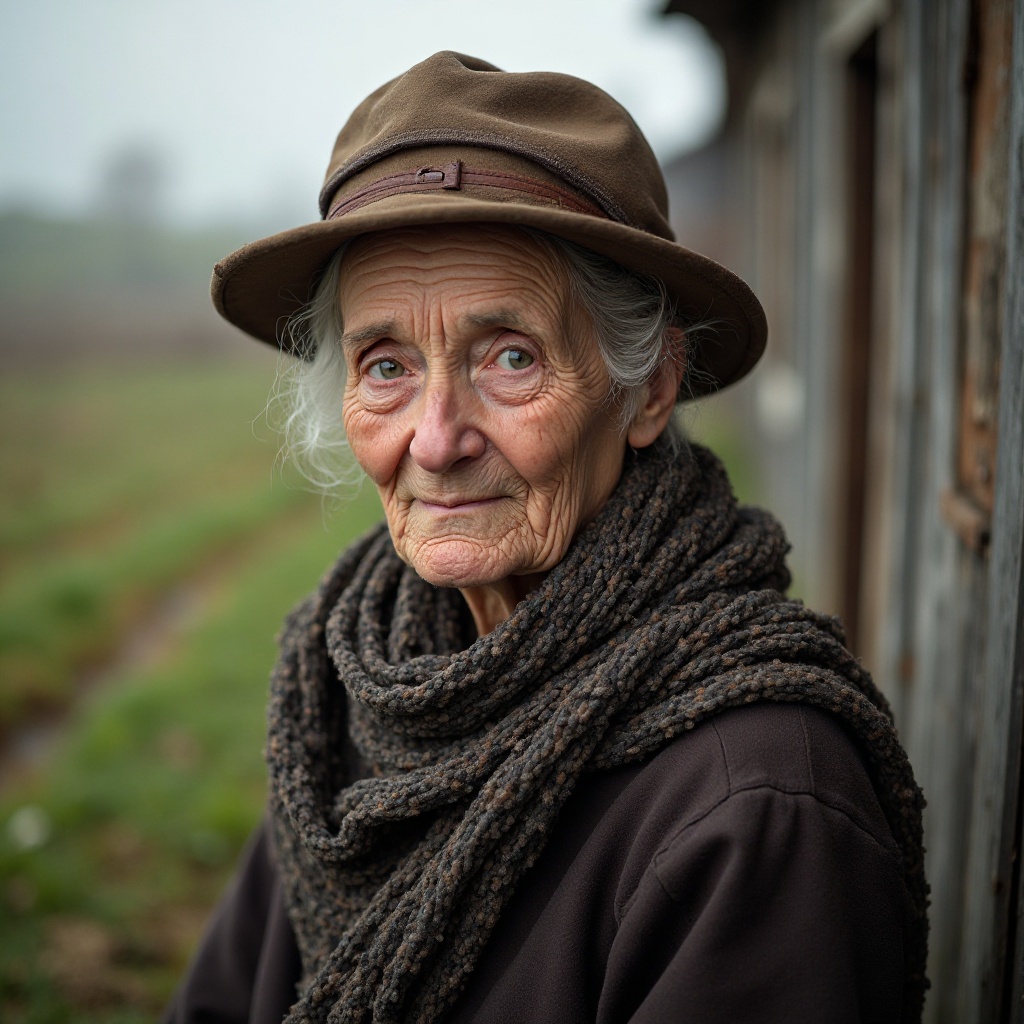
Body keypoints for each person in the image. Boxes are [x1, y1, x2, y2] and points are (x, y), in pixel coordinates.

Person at [164, 51, 927, 1024]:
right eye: (386, 363)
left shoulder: (758, 803)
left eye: (510, 356)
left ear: (646, 387)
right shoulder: (350, 690)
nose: (435, 440)